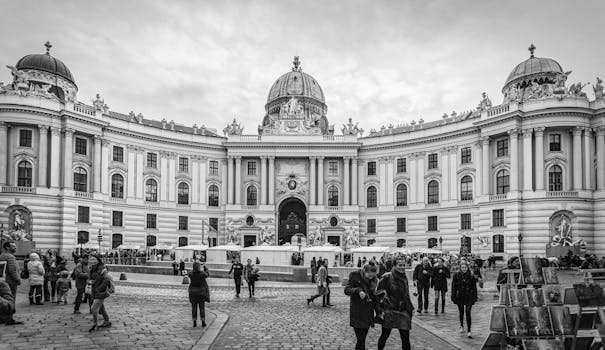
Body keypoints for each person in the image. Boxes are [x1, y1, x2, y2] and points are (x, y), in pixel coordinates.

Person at [377, 257, 414, 350]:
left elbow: (406, 294)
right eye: (399, 265)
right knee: (385, 335)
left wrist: (410, 307)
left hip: (403, 310)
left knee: (405, 337)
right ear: (394, 266)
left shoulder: (404, 277)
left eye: (403, 265)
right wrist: (382, 307)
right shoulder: (387, 276)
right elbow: (378, 293)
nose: (402, 267)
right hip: (390, 310)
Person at [345, 261, 379, 350]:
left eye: (373, 276)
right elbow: (347, 290)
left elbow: (375, 298)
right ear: (364, 271)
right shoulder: (354, 275)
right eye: (369, 275)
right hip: (357, 312)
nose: (371, 277)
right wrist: (357, 291)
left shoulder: (375, 280)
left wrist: (379, 312)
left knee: (362, 339)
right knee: (360, 339)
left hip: (368, 313)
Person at [451, 261, 478, 338]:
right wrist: (453, 296)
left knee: (468, 312)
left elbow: (474, 287)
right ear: (460, 268)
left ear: (467, 267)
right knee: (461, 312)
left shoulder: (471, 275)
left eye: (465, 267)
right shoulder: (456, 275)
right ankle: (461, 325)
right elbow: (453, 287)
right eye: (462, 267)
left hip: (469, 296)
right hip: (460, 296)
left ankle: (469, 331)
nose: (464, 269)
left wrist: (475, 297)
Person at [88, 254, 111, 332]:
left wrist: (99, 288)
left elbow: (107, 279)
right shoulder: (91, 268)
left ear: (98, 260)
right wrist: (89, 282)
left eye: (94, 259)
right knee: (101, 307)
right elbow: (89, 279)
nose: (92, 261)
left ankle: (95, 324)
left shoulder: (102, 268)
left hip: (100, 292)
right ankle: (107, 321)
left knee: (93, 308)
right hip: (94, 290)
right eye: (91, 259)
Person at [0, 242, 21, 315]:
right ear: (7, 247)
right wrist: (17, 279)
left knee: (4, 298)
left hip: (4, 281)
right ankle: (9, 315)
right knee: (11, 298)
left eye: (15, 246)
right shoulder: (10, 257)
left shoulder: (2, 255)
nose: (15, 247)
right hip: (11, 281)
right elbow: (12, 270)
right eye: (13, 246)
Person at [188, 261, 210, 327]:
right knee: (201, 307)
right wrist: (205, 268)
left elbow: (190, 273)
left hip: (193, 292)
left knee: (194, 307)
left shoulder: (191, 274)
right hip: (201, 292)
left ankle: (194, 321)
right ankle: (203, 321)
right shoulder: (202, 273)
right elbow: (207, 274)